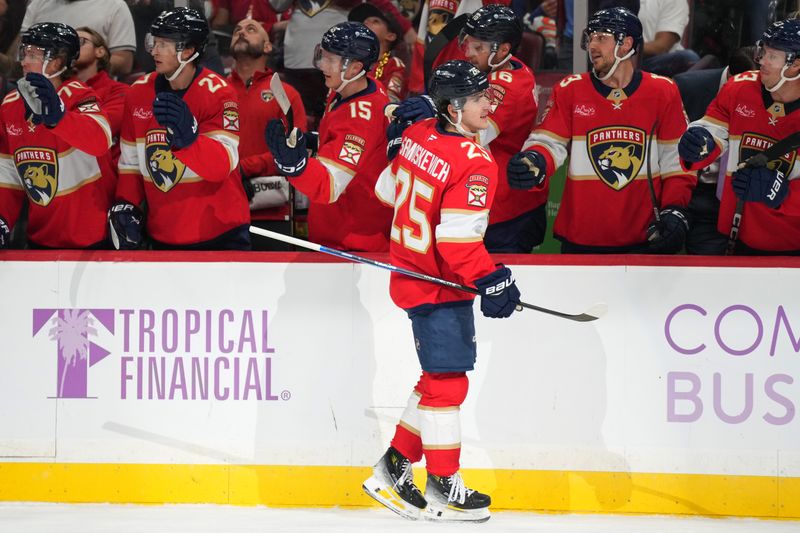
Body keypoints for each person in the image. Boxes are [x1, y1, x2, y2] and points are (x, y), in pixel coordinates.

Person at [366, 60, 521, 523]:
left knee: (437, 379)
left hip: (413, 275)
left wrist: (398, 150)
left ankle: (394, 467)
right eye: (479, 99)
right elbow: (457, 244)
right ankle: (442, 488)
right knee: (449, 384)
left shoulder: (417, 136)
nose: (489, 104)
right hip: (439, 285)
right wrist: (492, 277)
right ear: (454, 108)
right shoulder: (474, 161)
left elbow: (383, 191)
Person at [506, 7, 695, 254]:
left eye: (601, 38)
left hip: (644, 235)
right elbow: (548, 141)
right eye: (591, 38)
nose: (592, 45)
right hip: (581, 237)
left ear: (626, 44)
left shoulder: (663, 91)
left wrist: (674, 208)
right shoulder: (570, 89)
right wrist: (535, 159)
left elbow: (676, 161)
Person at [392, 4, 540, 252]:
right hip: (490, 201)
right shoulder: (494, 68)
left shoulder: (509, 84)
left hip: (507, 211)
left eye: (479, 47)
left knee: (494, 284)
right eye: (469, 43)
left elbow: (470, 132)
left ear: (503, 49)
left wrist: (432, 108)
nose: (469, 53)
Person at [112, 7, 250, 251]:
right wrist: (127, 204)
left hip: (220, 232)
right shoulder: (137, 92)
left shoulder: (219, 93)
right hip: (163, 232)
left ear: (188, 50)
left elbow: (223, 164)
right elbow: (131, 164)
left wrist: (190, 139)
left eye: (164, 44)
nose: (154, 51)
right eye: (154, 42)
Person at [265, 22, 392, 252]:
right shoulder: (346, 88)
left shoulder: (360, 118)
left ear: (355, 68)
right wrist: (314, 140)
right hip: (338, 230)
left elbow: (330, 186)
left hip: (354, 243)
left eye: (331, 60)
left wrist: (295, 166)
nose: (323, 65)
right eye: (322, 56)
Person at [678, 19, 800, 255]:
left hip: (793, 247)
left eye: (772, 56)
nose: (762, 60)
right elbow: (714, 127)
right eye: (763, 51)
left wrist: (785, 194)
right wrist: (701, 143)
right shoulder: (739, 88)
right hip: (738, 235)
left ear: (795, 65)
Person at [0, 22, 115, 249]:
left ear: (56, 62)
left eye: (32, 54)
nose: (23, 61)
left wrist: (60, 118)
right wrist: (2, 218)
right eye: (24, 52)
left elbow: (101, 140)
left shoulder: (80, 96)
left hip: (90, 238)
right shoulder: (10, 105)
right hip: (40, 235)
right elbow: (8, 174)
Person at [227, 15, 306, 250]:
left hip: (272, 213)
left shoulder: (287, 94)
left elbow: (294, 153)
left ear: (268, 46)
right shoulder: (216, 90)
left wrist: (244, 168)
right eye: (236, 29)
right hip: (223, 211)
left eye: (251, 29)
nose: (241, 32)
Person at [673, 47, 756, 255]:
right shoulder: (685, 87)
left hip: (733, 201)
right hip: (688, 192)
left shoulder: (771, 97)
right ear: (731, 77)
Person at [19, 0, 136, 76]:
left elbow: (124, 62)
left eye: (81, 42)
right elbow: (20, 52)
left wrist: (68, 64)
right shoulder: (37, 3)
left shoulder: (114, 5)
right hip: (36, 82)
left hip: (95, 89)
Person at [74, 27, 129, 168]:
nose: (72, 47)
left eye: (80, 41)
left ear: (100, 51)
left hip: (104, 179)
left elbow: (98, 131)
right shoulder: (58, 91)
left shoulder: (120, 91)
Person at [348, 2, 407, 102]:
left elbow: (392, 101)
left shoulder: (393, 64)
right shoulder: (351, 64)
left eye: (375, 21)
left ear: (390, 36)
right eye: (363, 22)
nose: (365, 22)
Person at [638, 0, 699, 77]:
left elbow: (661, 47)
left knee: (688, 57)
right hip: (623, 57)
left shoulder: (675, 1)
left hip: (646, 61)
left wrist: (625, 46)